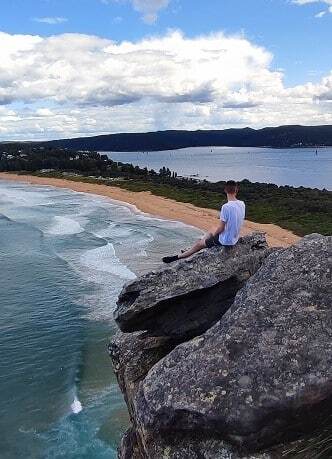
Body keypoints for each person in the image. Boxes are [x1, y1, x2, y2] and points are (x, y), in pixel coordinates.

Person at [162, 180, 245, 263]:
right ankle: (196, 245)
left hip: (226, 241)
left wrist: (214, 236)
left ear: (225, 190)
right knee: (212, 229)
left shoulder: (226, 207)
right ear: (236, 190)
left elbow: (221, 228)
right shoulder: (242, 204)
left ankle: (177, 257)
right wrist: (215, 232)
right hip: (235, 237)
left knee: (200, 244)